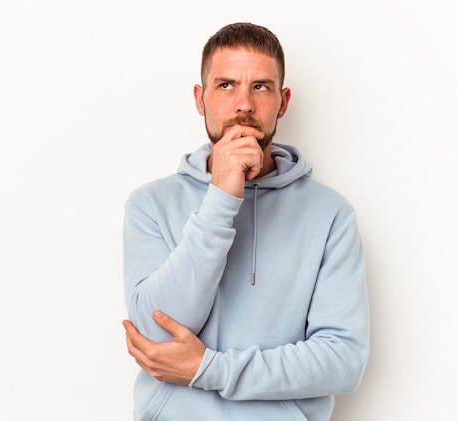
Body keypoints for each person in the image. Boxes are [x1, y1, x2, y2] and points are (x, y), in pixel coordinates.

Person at [121, 22, 369, 420]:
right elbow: (154, 339)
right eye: (226, 85)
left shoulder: (331, 215)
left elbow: (343, 360)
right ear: (200, 99)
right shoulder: (150, 204)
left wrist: (208, 369)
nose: (244, 105)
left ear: (283, 101)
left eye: (260, 87)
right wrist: (220, 198)